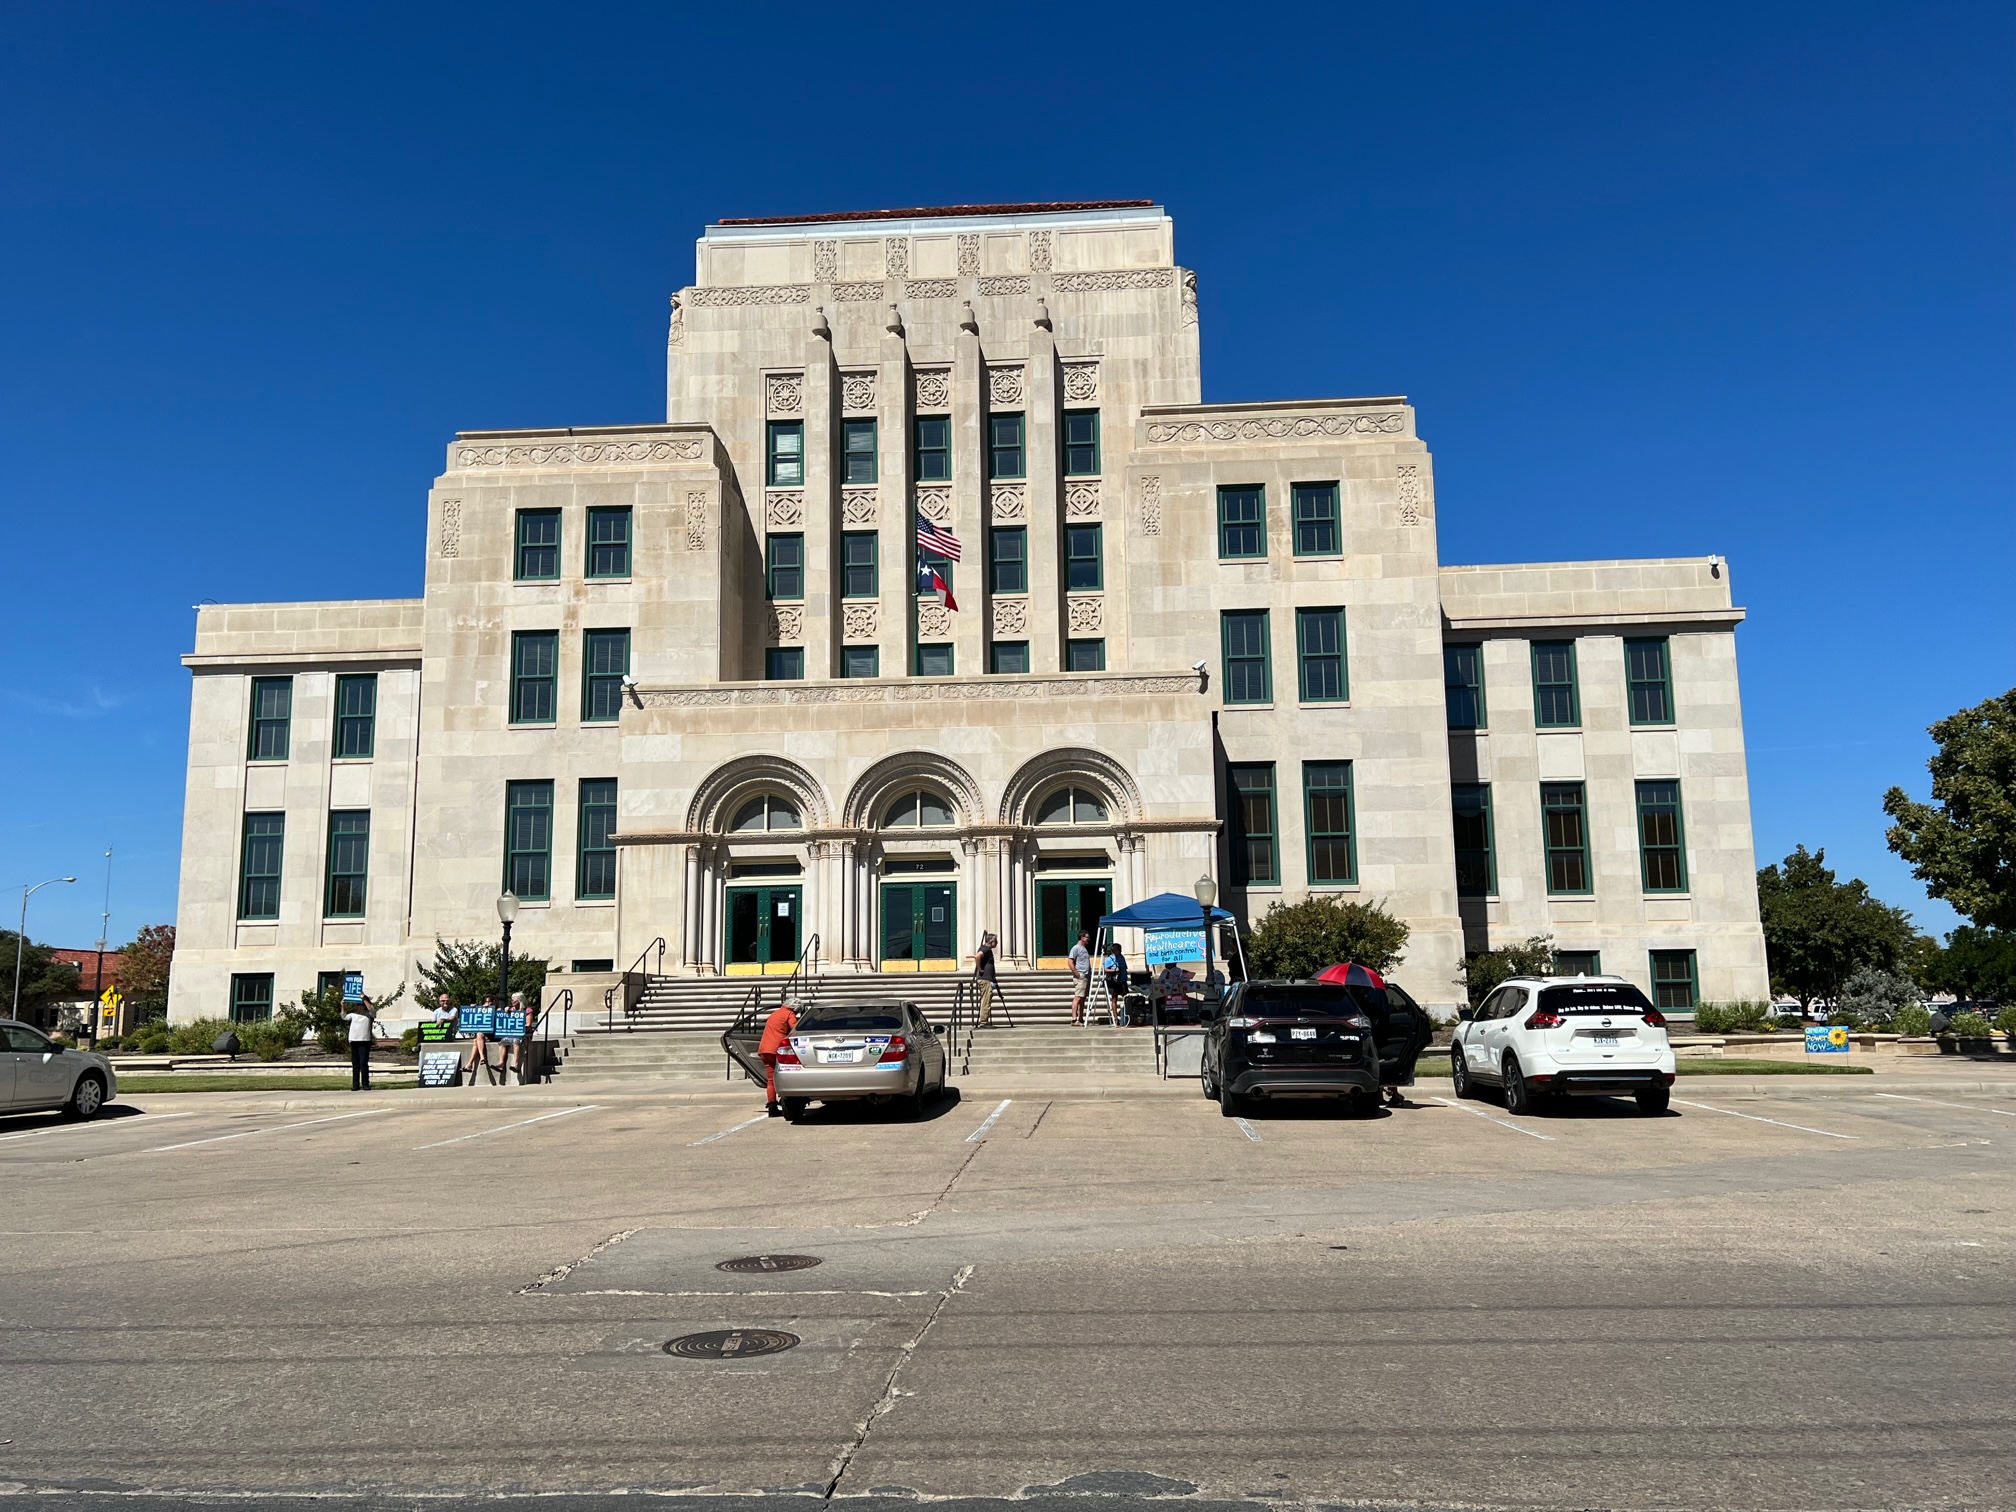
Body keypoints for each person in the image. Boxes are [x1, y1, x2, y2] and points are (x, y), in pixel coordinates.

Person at [757, 999, 799, 1116]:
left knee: (770, 1080)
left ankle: (772, 1105)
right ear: (795, 1009)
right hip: (777, 1049)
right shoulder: (789, 1014)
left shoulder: (775, 1013)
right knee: (785, 1075)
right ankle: (787, 1101)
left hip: (765, 1048)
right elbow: (795, 1030)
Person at [342, 995, 380, 1091]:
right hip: (354, 1040)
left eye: (361, 1005)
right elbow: (344, 1016)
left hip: (364, 1041)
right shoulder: (353, 1015)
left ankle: (365, 1084)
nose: (359, 1007)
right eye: (358, 1005)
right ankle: (355, 1084)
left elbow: (372, 1011)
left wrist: (364, 999)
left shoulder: (368, 1015)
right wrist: (342, 1006)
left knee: (363, 1063)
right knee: (355, 1064)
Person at [466, 994, 498, 1085]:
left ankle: (471, 1063)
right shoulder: (481, 1010)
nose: (487, 1004)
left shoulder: (497, 1010)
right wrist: (474, 1008)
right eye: (485, 1002)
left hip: (494, 1034)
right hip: (484, 1035)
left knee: (477, 1038)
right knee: (477, 1037)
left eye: (489, 1002)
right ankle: (479, 1059)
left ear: (493, 1002)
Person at [972, 932, 1002, 1028]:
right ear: (992, 941)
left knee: (986, 999)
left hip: (988, 979)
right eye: (996, 941)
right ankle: (983, 1022)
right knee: (986, 1000)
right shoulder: (985, 949)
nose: (997, 943)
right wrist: (980, 969)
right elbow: (977, 956)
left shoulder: (987, 949)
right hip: (985, 979)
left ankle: (985, 1021)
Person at [1068, 931, 1093, 1026]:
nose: (1088, 939)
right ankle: (1074, 1019)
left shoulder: (1084, 949)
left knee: (1083, 998)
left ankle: (1080, 1018)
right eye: (1087, 937)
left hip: (1086, 976)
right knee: (1078, 997)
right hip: (1081, 976)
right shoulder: (1076, 948)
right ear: (1082, 937)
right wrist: (1077, 974)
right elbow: (1070, 962)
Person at [1102, 943, 1129, 1025]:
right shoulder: (1109, 959)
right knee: (1114, 999)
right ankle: (1116, 1017)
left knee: (1126, 998)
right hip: (1114, 981)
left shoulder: (1121, 957)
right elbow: (1105, 970)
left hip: (1122, 980)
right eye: (1118, 949)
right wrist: (1114, 970)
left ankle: (1127, 1015)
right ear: (1114, 950)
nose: (1120, 951)